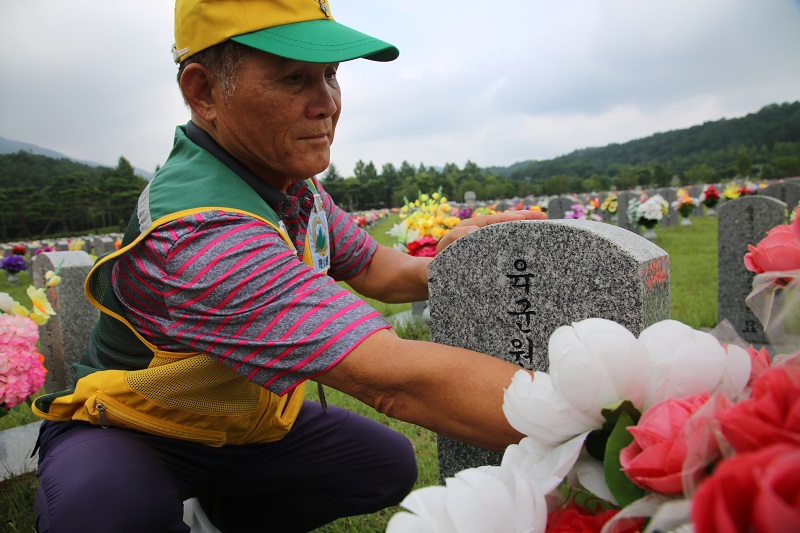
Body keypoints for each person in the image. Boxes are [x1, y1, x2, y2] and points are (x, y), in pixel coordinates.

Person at [31, 1, 547, 531]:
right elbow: (396, 383)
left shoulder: (291, 187)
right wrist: (604, 418)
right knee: (104, 510)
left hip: (240, 425)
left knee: (381, 464)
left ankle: (226, 517)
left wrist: (458, 261)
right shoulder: (199, 231)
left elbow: (375, 268)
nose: (326, 104)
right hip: (137, 431)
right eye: (295, 78)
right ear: (204, 91)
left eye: (331, 75)